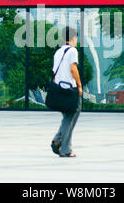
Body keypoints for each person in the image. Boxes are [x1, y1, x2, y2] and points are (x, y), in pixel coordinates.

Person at [50, 26, 83, 158]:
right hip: (70, 90)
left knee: (67, 117)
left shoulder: (58, 52)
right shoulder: (73, 51)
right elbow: (73, 68)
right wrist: (79, 85)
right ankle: (64, 148)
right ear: (74, 38)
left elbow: (54, 72)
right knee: (72, 116)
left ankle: (59, 140)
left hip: (59, 89)